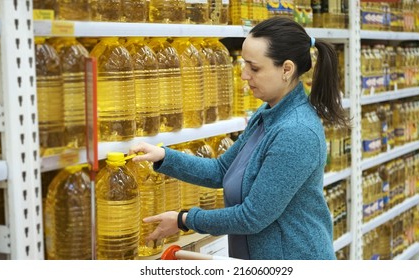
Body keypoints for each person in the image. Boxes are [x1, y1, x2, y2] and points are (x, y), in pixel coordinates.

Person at [129, 16, 349, 260]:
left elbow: (252, 217)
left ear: (287, 69)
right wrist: (163, 156)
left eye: (254, 68)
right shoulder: (267, 114)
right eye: (245, 64)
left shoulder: (296, 132)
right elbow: (221, 170)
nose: (244, 75)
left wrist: (184, 219)